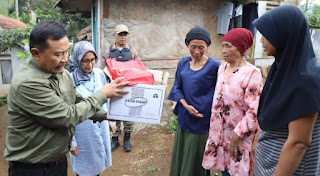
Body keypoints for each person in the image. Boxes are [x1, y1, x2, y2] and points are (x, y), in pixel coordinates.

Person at [4, 21, 129, 176]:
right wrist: (102, 94)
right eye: (57, 54)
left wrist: (106, 115)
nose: (64, 59)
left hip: (57, 163)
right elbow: (67, 116)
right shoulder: (28, 83)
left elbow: (77, 100)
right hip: (32, 168)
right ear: (36, 53)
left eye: (66, 52)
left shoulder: (60, 72)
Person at [252, 5, 320, 176]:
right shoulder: (281, 70)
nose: (261, 40)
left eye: (266, 34)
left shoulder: (305, 80)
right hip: (267, 164)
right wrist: (257, 141)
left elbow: (299, 142)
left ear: (284, 34)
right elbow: (266, 111)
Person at [202, 28, 263, 176]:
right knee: (224, 170)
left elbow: (254, 110)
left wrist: (238, 135)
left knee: (236, 171)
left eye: (228, 46)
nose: (223, 50)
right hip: (220, 134)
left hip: (239, 136)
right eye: (223, 45)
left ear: (241, 47)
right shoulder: (222, 68)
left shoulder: (252, 73)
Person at [168, 25, 221, 176]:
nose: (197, 51)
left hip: (202, 119)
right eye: (193, 47)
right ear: (187, 45)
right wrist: (185, 105)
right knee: (182, 153)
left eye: (201, 47)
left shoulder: (215, 66)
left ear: (207, 46)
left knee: (198, 156)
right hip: (185, 116)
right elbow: (177, 87)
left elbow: (220, 92)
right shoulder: (183, 63)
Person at [68, 41, 116, 175]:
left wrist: (111, 121)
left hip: (101, 126)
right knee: (84, 168)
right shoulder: (70, 80)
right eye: (85, 61)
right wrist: (71, 141)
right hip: (83, 131)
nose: (89, 64)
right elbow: (67, 112)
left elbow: (107, 97)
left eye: (92, 60)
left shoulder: (99, 74)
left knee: (98, 164)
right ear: (77, 60)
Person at [104, 24, 140, 152]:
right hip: (114, 88)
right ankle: (115, 141)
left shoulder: (133, 52)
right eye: (120, 34)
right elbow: (103, 70)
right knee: (115, 114)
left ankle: (127, 140)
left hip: (129, 88)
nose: (123, 37)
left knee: (129, 115)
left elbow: (139, 68)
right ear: (115, 36)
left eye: (125, 34)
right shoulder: (108, 52)